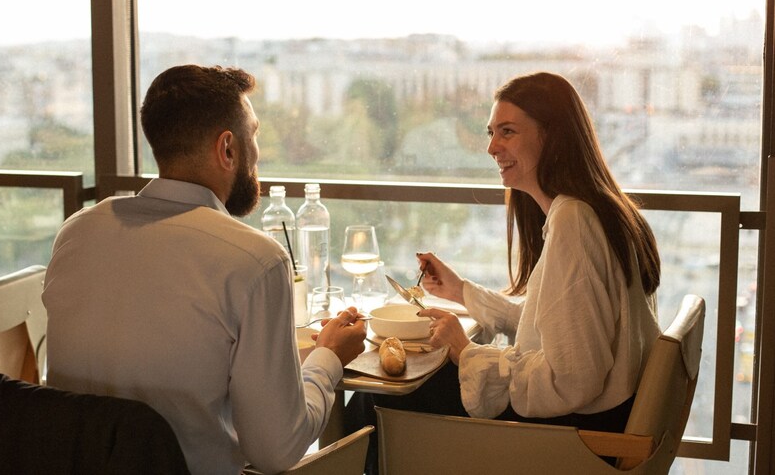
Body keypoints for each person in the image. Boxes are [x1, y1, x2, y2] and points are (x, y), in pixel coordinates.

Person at [43, 64, 367, 475]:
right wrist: (329, 356)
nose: (258, 152)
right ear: (228, 149)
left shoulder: (76, 233)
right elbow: (276, 450)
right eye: (255, 135)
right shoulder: (255, 261)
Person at [347, 71, 661, 472]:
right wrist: (462, 292)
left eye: (508, 132)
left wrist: (468, 352)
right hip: (591, 425)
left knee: (379, 395)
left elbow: (574, 380)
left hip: (570, 443)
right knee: (399, 387)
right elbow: (555, 323)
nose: (492, 147)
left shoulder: (574, 224)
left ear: (553, 136)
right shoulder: (596, 210)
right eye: (491, 132)